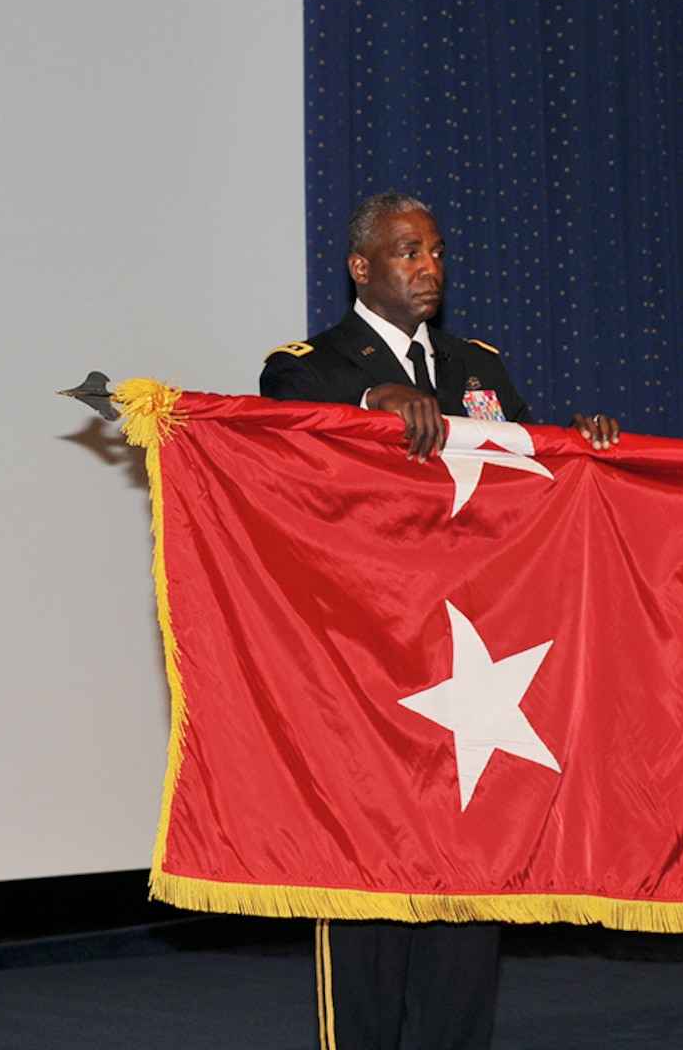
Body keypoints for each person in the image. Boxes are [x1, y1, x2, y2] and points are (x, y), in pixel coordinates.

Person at [261, 190, 619, 1050]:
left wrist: (580, 448)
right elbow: (284, 478)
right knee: (369, 901)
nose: (429, 268)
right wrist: (362, 412)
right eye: (407, 252)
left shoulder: (478, 368)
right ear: (361, 268)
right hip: (365, 677)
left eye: (436, 251)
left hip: (473, 669)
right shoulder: (308, 368)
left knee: (466, 894)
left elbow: (524, 493)